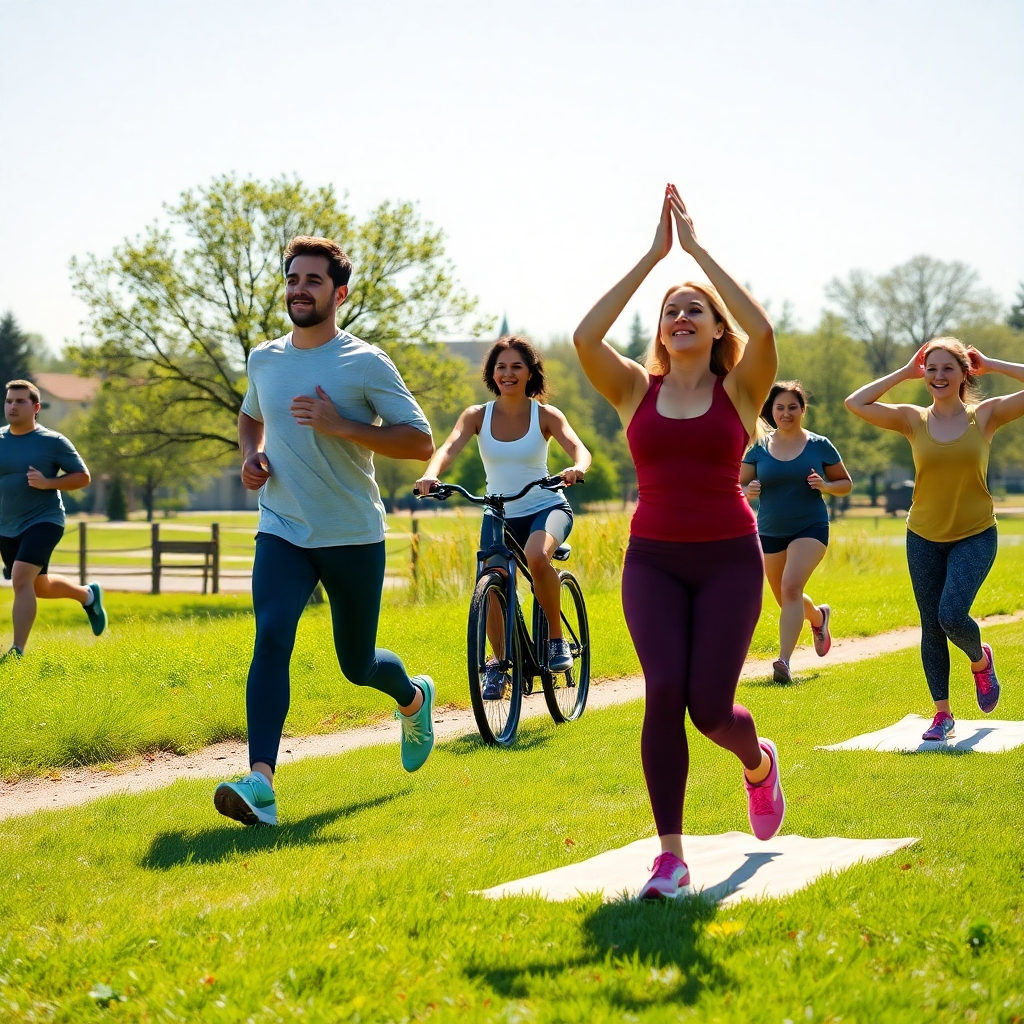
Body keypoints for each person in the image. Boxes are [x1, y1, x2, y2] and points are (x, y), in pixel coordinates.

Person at [572, 184, 785, 901]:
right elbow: (583, 338)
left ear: (714, 328)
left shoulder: (744, 390)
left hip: (727, 560)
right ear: (660, 332)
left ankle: (757, 762)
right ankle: (671, 855)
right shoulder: (635, 389)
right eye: (671, 311)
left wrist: (696, 252)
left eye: (693, 308)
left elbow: (764, 333)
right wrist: (651, 258)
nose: (681, 315)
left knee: (710, 710)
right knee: (663, 691)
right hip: (654, 562)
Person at [214, 236, 437, 828]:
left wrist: (342, 425)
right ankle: (261, 782)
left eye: (312, 281)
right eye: (292, 279)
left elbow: (419, 442)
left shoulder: (364, 362)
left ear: (338, 293)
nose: (299, 290)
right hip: (283, 528)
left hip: (351, 534)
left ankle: (413, 698)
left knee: (356, 663)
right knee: (272, 636)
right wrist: (251, 456)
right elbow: (250, 415)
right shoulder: (265, 358)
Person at [846, 339, 1024, 741]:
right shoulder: (913, 419)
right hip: (923, 536)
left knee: (951, 615)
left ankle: (980, 661)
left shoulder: (987, 415)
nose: (938, 376)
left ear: (964, 374)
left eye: (948, 368)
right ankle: (942, 715)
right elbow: (855, 403)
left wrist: (992, 363)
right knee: (931, 625)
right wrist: (904, 371)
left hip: (976, 535)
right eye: (931, 369)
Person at [414, 336, 590, 690]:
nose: (507, 374)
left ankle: (556, 639)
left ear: (530, 373)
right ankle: (499, 663)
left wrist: (576, 468)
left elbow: (579, 448)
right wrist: (433, 474)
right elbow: (449, 446)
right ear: (492, 374)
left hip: (546, 506)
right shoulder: (477, 416)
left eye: (516, 367)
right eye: (501, 367)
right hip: (498, 512)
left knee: (537, 557)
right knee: (490, 579)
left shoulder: (546, 415)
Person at [741, 381, 852, 682]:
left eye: (792, 407)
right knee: (785, 597)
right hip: (771, 531)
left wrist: (826, 487)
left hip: (810, 526)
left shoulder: (819, 445)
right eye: (780, 407)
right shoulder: (759, 447)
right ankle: (819, 617)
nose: (786, 413)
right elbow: (736, 483)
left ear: (803, 410)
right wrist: (747, 490)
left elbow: (845, 483)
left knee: (791, 587)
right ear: (772, 411)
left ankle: (784, 662)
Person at [0, 380, 106, 656]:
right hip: (7, 524)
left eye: (20, 401)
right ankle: (88, 596)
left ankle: (17, 650)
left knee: (21, 578)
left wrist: (48, 483)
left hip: (43, 519)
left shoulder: (53, 441)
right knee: (38, 586)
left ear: (35, 408)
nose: (12, 406)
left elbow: (83, 477)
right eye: (9, 400)